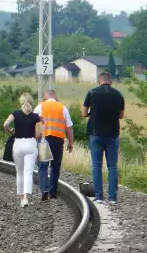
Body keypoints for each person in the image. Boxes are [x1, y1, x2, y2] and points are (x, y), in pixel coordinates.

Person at [81, 71, 125, 204]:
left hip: (96, 134)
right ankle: (112, 198)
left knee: (96, 166)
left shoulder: (92, 92)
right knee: (112, 167)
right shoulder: (118, 94)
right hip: (112, 134)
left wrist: (91, 113)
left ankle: (99, 197)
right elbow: (121, 115)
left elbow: (83, 112)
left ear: (99, 80)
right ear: (110, 81)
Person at [3, 93, 43, 207]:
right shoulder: (36, 116)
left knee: (19, 172)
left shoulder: (15, 113)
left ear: (21, 102)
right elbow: (39, 134)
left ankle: (20, 197)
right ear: (31, 102)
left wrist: (11, 131)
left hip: (18, 144)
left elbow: (5, 124)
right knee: (28, 172)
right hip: (30, 144)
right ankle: (26, 198)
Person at [34, 89, 74, 201]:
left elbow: (33, 122)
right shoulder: (63, 108)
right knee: (55, 167)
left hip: (43, 140)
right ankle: (53, 192)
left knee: (43, 166)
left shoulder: (40, 106)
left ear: (45, 96)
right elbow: (69, 127)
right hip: (58, 141)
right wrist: (71, 142)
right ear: (55, 96)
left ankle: (44, 190)